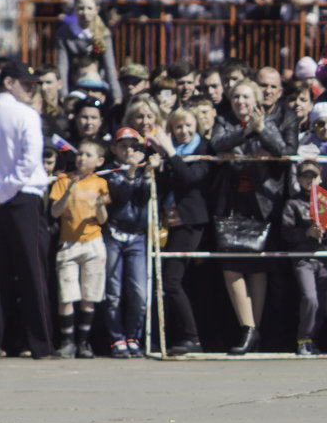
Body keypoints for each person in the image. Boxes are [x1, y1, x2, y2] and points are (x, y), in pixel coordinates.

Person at [210, 80, 292, 355]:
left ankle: (254, 330)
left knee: (259, 267)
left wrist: (260, 130)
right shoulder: (224, 120)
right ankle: (247, 328)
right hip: (233, 202)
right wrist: (246, 131)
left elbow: (283, 150)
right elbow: (216, 143)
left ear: (256, 99)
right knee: (230, 266)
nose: (240, 101)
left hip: (261, 203)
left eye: (245, 97)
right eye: (236, 97)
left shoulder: (265, 120)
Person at [0, 61, 54, 358]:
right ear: (8, 83)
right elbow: (29, 159)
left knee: (3, 274)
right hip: (22, 196)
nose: (31, 89)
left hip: (5, 195)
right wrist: (6, 190)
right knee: (33, 271)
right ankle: (40, 342)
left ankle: (5, 340)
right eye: (26, 84)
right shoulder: (26, 114)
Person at [151, 109, 211, 355]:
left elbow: (190, 179)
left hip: (191, 222)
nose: (184, 131)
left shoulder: (203, 148)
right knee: (172, 282)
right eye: (178, 127)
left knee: (172, 281)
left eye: (188, 125)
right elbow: (168, 185)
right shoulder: (173, 153)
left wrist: (171, 153)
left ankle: (192, 338)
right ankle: (180, 336)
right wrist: (160, 163)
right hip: (172, 222)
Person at [49, 139, 110, 358]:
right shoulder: (63, 180)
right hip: (69, 243)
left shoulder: (100, 183)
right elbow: (55, 212)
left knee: (89, 294)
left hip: (93, 242)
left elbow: (102, 219)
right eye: (79, 154)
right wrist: (68, 192)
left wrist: (101, 206)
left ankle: (84, 342)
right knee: (66, 294)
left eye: (87, 155)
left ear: (99, 161)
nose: (81, 158)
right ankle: (67, 342)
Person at [281, 159, 327, 355]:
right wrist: (307, 233)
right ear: (298, 179)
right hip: (303, 258)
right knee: (310, 298)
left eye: (313, 176)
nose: (309, 180)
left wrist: (325, 232)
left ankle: (312, 338)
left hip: (324, 257)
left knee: (322, 303)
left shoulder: (326, 200)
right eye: (305, 176)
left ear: (320, 178)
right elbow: (286, 232)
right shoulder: (293, 203)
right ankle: (303, 338)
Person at [102, 127, 153, 358]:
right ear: (114, 148)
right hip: (114, 233)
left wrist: (148, 174)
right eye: (123, 146)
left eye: (133, 146)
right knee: (113, 292)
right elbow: (120, 196)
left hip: (138, 236)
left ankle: (134, 336)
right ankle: (117, 338)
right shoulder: (110, 171)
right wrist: (131, 171)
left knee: (139, 292)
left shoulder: (144, 170)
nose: (129, 151)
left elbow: (146, 196)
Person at [57, 0, 122, 103]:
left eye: (89, 8)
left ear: (97, 9)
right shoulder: (65, 33)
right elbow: (62, 66)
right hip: (74, 84)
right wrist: (63, 95)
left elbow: (110, 67)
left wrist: (117, 96)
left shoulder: (103, 33)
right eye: (81, 8)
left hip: (98, 84)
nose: (85, 13)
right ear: (75, 9)